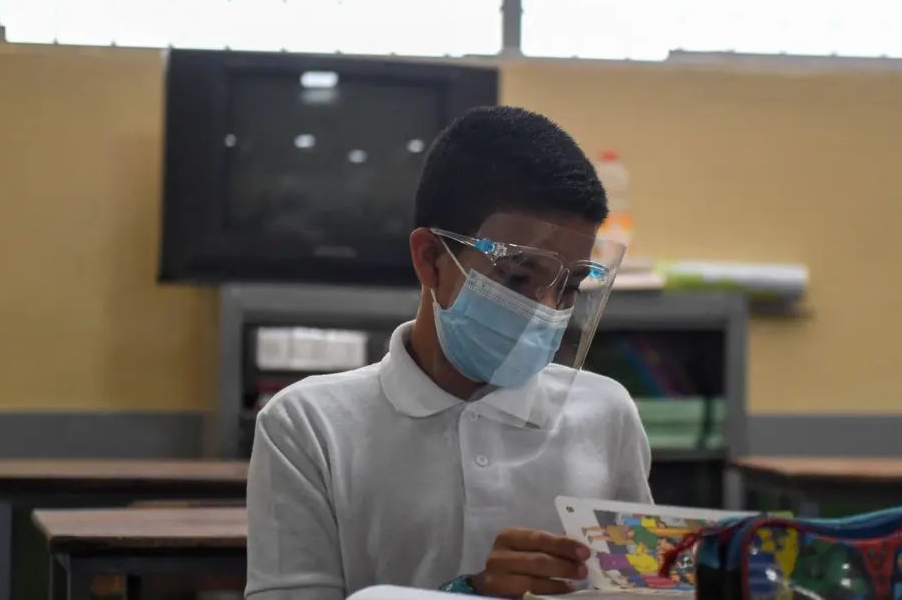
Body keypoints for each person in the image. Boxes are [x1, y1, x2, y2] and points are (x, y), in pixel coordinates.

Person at [246, 106, 653, 600]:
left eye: (569, 287)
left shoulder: (605, 415)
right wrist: (470, 593)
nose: (546, 310)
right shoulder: (310, 425)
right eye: (517, 277)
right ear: (431, 259)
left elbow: (642, 591)